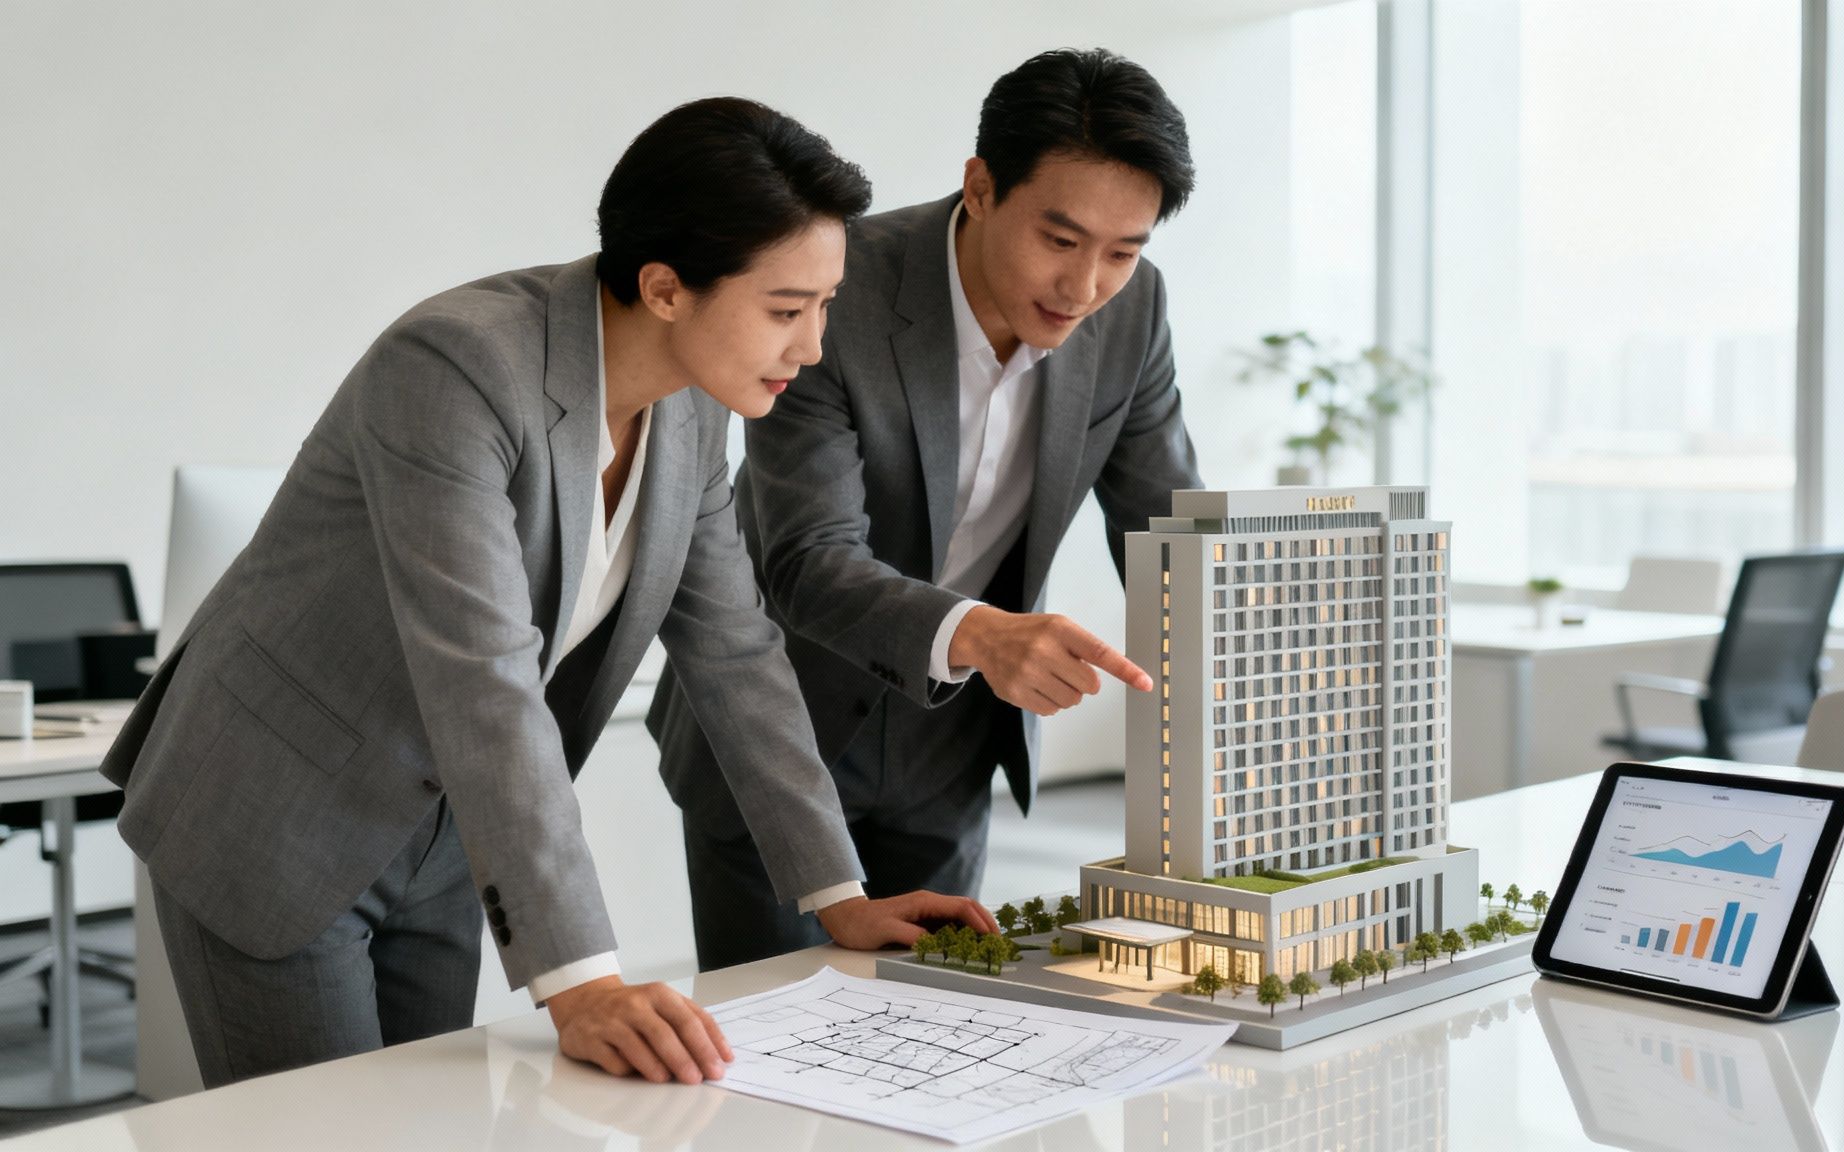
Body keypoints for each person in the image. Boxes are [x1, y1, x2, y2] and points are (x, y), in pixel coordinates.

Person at [102, 97, 993, 1089]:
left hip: (445, 824)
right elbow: (483, 673)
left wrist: (839, 896)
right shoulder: (454, 365)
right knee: (331, 1132)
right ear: (663, 288)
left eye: (825, 304)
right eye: (787, 309)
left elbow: (735, 652)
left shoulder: (692, 412)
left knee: (427, 1125)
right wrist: (585, 983)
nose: (814, 345)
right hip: (275, 808)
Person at [649, 49, 1204, 971]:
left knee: (936, 1036)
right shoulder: (835, 290)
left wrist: (1248, 672)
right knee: (773, 1058)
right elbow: (807, 558)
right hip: (781, 731)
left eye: (1123, 250)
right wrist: (986, 635)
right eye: (1060, 241)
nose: (1084, 287)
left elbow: (1166, 526)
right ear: (980, 187)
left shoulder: (1133, 309)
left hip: (953, 743)